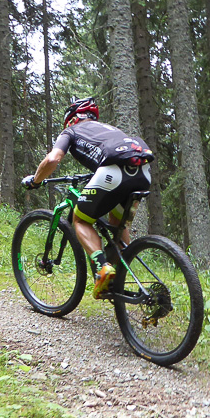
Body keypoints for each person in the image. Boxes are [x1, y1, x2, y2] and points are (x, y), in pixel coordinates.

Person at [22, 97, 154, 299]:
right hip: (143, 174)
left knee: (81, 220)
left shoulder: (71, 131)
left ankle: (102, 269)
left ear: (71, 119)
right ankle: (115, 281)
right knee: (118, 226)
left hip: (113, 172)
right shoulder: (110, 129)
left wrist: (35, 180)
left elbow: (53, 159)